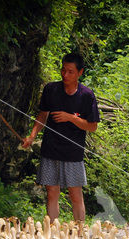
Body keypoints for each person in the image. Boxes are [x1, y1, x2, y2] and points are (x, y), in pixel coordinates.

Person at [23, 53, 100, 222]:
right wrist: (31, 136)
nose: (65, 75)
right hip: (50, 149)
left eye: (70, 71)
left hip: (73, 152)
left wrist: (70, 117)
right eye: (63, 70)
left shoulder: (86, 95)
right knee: (51, 192)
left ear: (80, 72)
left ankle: (79, 233)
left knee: (75, 194)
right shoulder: (51, 89)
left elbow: (92, 126)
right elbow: (42, 115)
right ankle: (52, 231)